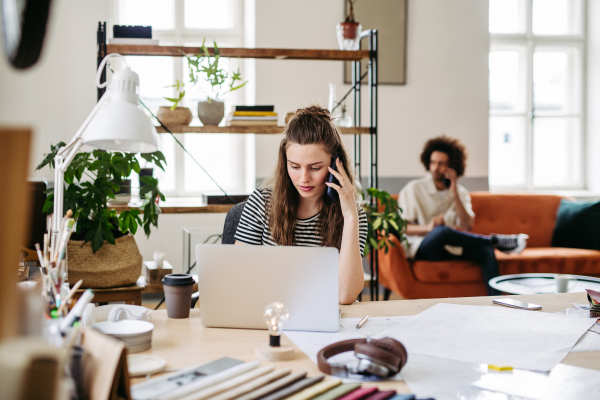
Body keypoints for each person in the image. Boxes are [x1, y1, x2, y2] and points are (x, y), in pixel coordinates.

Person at [234, 105, 368, 304]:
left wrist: (350, 219)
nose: (304, 178)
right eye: (294, 166)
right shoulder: (262, 203)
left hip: (328, 319)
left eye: (315, 167)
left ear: (335, 164)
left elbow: (346, 295)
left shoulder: (352, 215)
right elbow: (239, 278)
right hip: (274, 312)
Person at [399, 136, 527, 295]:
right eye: (432, 162)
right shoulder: (414, 189)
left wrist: (454, 193)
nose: (435, 168)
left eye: (441, 163)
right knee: (441, 231)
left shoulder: (460, 193)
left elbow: (467, 226)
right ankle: (494, 240)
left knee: (486, 251)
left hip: (450, 249)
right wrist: (428, 227)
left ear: (452, 166)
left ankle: (496, 301)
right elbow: (402, 227)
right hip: (423, 247)